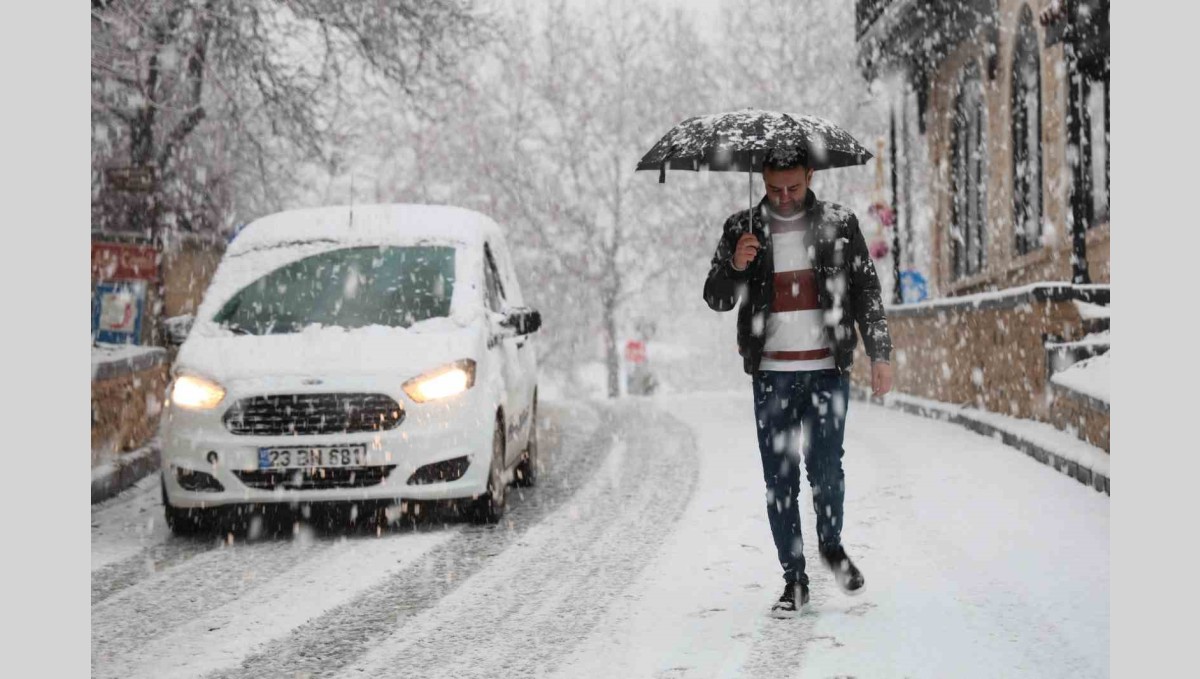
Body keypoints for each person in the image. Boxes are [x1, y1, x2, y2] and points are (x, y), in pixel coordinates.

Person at [703, 148, 893, 617]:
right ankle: (795, 580)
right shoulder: (741, 229)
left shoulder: (840, 223)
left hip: (828, 370)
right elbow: (716, 297)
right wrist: (736, 265)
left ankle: (831, 544)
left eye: (793, 187)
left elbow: (866, 289)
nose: (784, 198)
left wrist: (880, 352)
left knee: (827, 470)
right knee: (779, 479)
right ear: (761, 181)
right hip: (771, 375)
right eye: (773, 189)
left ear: (811, 175)